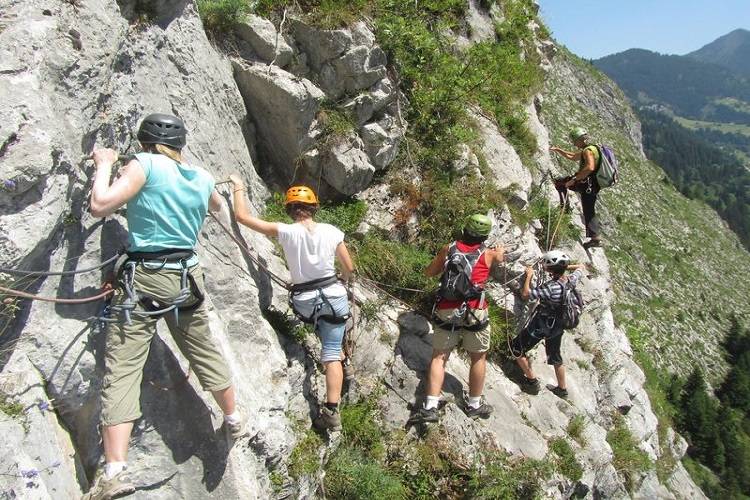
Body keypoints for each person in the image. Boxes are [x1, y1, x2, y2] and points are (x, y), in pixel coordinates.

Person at [84, 113, 244, 500]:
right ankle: (234, 418)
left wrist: (105, 165)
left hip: (146, 278)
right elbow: (217, 206)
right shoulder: (201, 177)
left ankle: (115, 471)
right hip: (187, 276)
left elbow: (101, 204)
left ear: (145, 142)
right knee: (203, 348)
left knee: (123, 368)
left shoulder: (145, 164)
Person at [228, 177, 355, 432]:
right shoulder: (331, 231)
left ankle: (340, 369)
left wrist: (238, 186)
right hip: (334, 294)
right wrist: (341, 279)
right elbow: (349, 268)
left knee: (324, 330)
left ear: (290, 209)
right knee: (331, 349)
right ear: (314, 208)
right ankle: (332, 408)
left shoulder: (285, 231)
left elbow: (241, 217)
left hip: (306, 302)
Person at [414, 214, 505, 423]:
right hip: (475, 310)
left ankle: (430, 406)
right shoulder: (488, 254)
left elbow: (430, 272)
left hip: (447, 308)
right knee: (478, 357)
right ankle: (474, 404)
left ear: (465, 229)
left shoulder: (449, 249)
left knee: (439, 357)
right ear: (484, 236)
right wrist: (499, 252)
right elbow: (500, 260)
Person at [510, 250, 586, 399]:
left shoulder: (551, 288)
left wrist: (529, 276)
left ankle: (531, 382)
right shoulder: (570, 281)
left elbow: (526, 294)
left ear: (550, 269)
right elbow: (581, 267)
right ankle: (562, 389)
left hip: (542, 324)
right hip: (559, 325)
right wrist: (565, 267)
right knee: (555, 355)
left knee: (516, 348)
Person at [550, 127, 602, 249]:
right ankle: (595, 237)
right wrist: (558, 150)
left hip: (585, 182)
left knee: (560, 183)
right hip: (593, 185)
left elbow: (590, 167)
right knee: (589, 209)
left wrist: (574, 179)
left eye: (575, 141)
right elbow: (573, 156)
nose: (574, 143)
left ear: (580, 140)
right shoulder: (593, 149)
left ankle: (564, 209)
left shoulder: (587, 151)